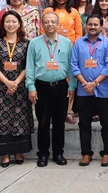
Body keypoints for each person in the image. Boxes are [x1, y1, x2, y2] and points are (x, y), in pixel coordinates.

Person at [26, 11, 76, 167]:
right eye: (46, 22)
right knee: (43, 122)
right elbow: (30, 67)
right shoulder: (34, 43)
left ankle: (58, 153)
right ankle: (43, 154)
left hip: (61, 86)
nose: (49, 24)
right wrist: (31, 87)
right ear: (42, 24)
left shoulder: (67, 43)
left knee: (59, 122)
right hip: (41, 87)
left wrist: (72, 85)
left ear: (58, 24)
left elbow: (71, 65)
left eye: (52, 22)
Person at [0, 9, 33, 167]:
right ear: (2, 24)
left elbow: (28, 66)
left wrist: (16, 83)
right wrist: (7, 82)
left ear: (19, 24)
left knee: (20, 120)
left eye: (14, 21)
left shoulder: (26, 44)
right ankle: (5, 154)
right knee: (2, 119)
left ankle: (19, 152)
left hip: (20, 88)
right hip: (1, 88)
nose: (11, 24)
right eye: (7, 22)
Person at [71, 14, 108, 167]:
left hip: (104, 91)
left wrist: (95, 83)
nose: (92, 27)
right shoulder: (78, 43)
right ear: (86, 26)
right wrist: (86, 84)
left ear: (101, 26)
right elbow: (74, 65)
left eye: (95, 24)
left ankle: (107, 153)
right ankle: (86, 153)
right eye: (90, 24)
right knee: (84, 124)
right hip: (84, 91)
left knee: (107, 124)